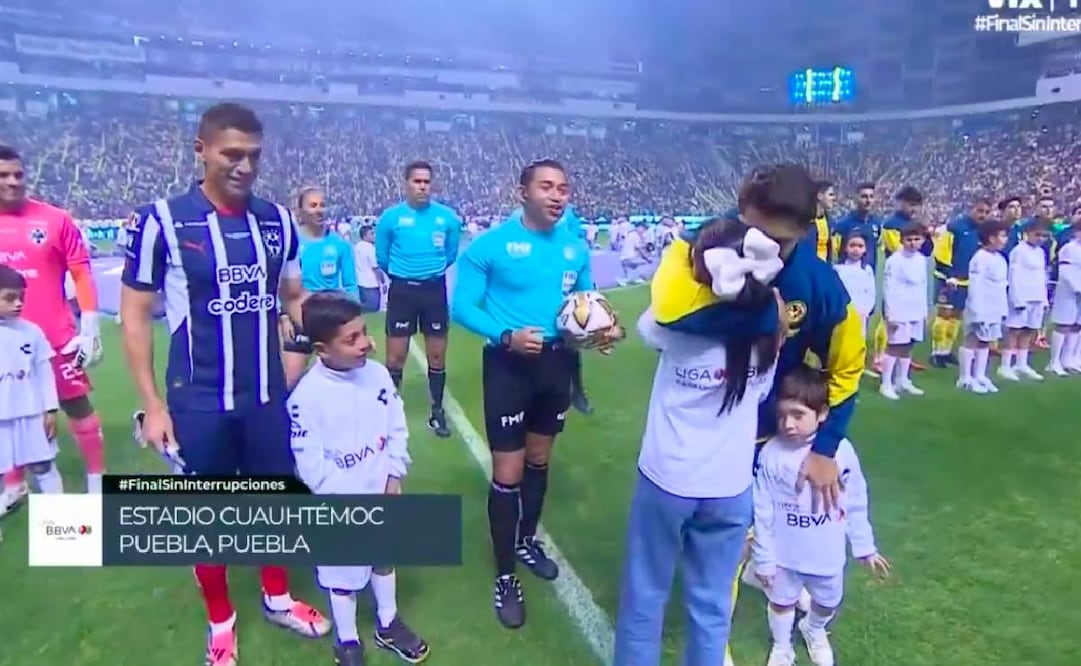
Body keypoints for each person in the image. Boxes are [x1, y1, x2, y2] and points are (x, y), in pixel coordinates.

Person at [119, 102, 329, 666]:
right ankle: (221, 622)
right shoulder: (161, 219)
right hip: (199, 399)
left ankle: (277, 596)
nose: (243, 166)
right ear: (201, 150)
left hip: (265, 397)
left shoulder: (278, 220)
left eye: (253, 156)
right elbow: (135, 315)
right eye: (231, 154)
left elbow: (292, 299)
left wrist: (335, 334)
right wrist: (152, 405)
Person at [451, 159, 623, 629]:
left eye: (563, 188)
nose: (556, 195)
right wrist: (505, 334)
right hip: (509, 365)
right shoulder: (490, 247)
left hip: (556, 365)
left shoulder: (573, 248)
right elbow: (462, 304)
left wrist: (599, 332)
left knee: (540, 460)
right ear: (522, 192)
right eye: (546, 186)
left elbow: (586, 304)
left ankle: (527, 538)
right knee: (507, 472)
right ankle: (505, 576)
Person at [613, 217, 784, 666]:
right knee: (711, 608)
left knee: (645, 596)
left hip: (668, 479)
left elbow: (659, 310)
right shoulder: (770, 330)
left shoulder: (675, 328)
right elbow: (762, 392)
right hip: (730, 486)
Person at [652, 163, 864, 514]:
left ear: (805, 230)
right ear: (740, 211)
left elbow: (848, 367)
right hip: (690, 432)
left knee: (746, 547)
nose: (760, 250)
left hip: (764, 437)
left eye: (778, 242)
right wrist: (768, 316)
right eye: (753, 233)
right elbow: (669, 310)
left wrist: (825, 448)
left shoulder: (822, 287)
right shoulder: (697, 246)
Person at [288, 293, 429, 666]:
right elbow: (311, 468)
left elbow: (396, 426)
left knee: (384, 558)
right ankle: (347, 639)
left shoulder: (378, 375)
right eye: (351, 339)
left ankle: (387, 622)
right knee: (343, 576)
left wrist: (394, 474)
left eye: (364, 332)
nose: (366, 343)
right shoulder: (306, 398)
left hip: (383, 494)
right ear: (321, 349)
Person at [753, 367, 890, 666]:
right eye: (782, 415)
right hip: (785, 554)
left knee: (828, 602)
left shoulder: (839, 452)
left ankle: (813, 629)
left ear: (823, 413)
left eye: (798, 415)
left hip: (825, 553)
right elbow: (762, 509)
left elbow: (855, 499)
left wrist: (864, 546)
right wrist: (763, 556)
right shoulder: (772, 454)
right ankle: (781, 646)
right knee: (780, 602)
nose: (788, 424)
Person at [0, 144, 105, 514]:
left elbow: (81, 271)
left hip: (55, 336)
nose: (13, 181)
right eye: (3, 176)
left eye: (18, 174)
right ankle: (14, 483)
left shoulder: (55, 220)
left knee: (76, 404)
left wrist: (90, 324)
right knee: (7, 410)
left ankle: (97, 479)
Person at [375, 160, 462, 438]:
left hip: (434, 292)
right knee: (395, 358)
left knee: (437, 356)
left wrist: (428, 274)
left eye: (426, 181)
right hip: (402, 291)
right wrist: (405, 274)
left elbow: (450, 254)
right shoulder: (391, 218)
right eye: (417, 181)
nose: (423, 186)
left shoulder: (447, 218)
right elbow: (382, 256)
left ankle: (437, 412)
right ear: (406, 183)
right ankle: (389, 415)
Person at [281, 186, 358, 384]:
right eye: (313, 205)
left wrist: (353, 321)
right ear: (301, 211)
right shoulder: (291, 242)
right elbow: (279, 284)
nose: (319, 210)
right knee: (291, 379)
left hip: (331, 318)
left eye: (322, 205)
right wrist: (284, 317)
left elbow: (350, 285)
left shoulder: (340, 244)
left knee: (339, 378)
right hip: (299, 317)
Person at [0, 265, 64, 497]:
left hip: (30, 411)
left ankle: (58, 524)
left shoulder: (32, 332)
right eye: (9, 298)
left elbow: (44, 371)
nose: (18, 303)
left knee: (43, 465)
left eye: (21, 298)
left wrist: (50, 408)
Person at [929, 199, 992, 368]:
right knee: (944, 314)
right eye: (980, 211)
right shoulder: (955, 227)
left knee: (956, 316)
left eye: (986, 212)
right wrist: (949, 275)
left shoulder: (983, 232)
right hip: (948, 279)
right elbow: (941, 252)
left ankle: (946, 350)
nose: (983, 215)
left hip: (967, 280)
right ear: (971, 209)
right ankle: (936, 352)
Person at [873, 187, 929, 372]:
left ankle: (903, 358)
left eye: (916, 206)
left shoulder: (915, 223)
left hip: (912, 283)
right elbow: (898, 248)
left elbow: (927, 249)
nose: (913, 209)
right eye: (910, 204)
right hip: (898, 277)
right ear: (901, 203)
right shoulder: (891, 224)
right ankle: (880, 357)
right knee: (888, 320)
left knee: (909, 325)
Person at [957, 220, 1010, 393]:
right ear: (991, 238)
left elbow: (1002, 286)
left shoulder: (1001, 259)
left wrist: (1002, 309)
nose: (1005, 239)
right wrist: (976, 310)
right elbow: (976, 286)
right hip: (980, 306)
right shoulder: (979, 258)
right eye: (1002, 236)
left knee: (985, 342)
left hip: (994, 306)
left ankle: (980, 375)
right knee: (972, 339)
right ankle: (965, 377)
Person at [880, 222, 930, 400]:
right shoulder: (894, 260)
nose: (912, 243)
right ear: (902, 240)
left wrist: (924, 310)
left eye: (917, 239)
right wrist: (890, 314)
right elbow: (889, 288)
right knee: (895, 345)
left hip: (915, 308)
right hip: (899, 308)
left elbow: (923, 286)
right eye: (909, 239)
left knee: (909, 345)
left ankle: (903, 379)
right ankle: (886, 383)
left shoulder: (921, 260)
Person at [1000, 218, 1050, 381]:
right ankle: (1005, 365)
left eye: (1044, 236)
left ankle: (1022, 363)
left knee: (1029, 330)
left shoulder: (1041, 253)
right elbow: (1013, 276)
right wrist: (1017, 298)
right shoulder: (1018, 251)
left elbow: (1042, 276)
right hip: (1022, 296)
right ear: (1027, 233)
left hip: (1036, 296)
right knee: (1014, 330)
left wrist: (1044, 299)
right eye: (1037, 235)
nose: (1040, 239)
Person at [1047, 221, 1081, 375]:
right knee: (1063, 325)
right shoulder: (1069, 249)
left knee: (1076, 325)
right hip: (1068, 292)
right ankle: (1054, 361)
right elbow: (1065, 272)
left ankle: (1069, 359)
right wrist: (1077, 288)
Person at [833, 233, 876, 339]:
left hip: (860, 313)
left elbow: (871, 293)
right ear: (845, 248)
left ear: (865, 249)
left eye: (860, 246)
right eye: (852, 245)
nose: (856, 249)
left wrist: (866, 310)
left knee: (858, 341)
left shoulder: (867, 270)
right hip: (841, 314)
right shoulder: (837, 269)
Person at [829, 182, 879, 271]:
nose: (868, 200)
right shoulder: (843, 224)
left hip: (869, 274)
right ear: (856, 198)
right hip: (848, 275)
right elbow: (834, 252)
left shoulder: (876, 223)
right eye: (864, 196)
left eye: (871, 197)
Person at [800, 180, 835, 263]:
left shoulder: (829, 221)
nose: (834, 198)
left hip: (823, 268)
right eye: (830, 195)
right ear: (819, 196)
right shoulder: (805, 221)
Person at [354, 224, 384, 313]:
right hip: (370, 283)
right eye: (372, 233)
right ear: (365, 236)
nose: (375, 236)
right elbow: (375, 267)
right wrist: (382, 282)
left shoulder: (357, 247)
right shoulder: (370, 248)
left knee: (367, 304)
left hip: (360, 281)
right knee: (373, 306)